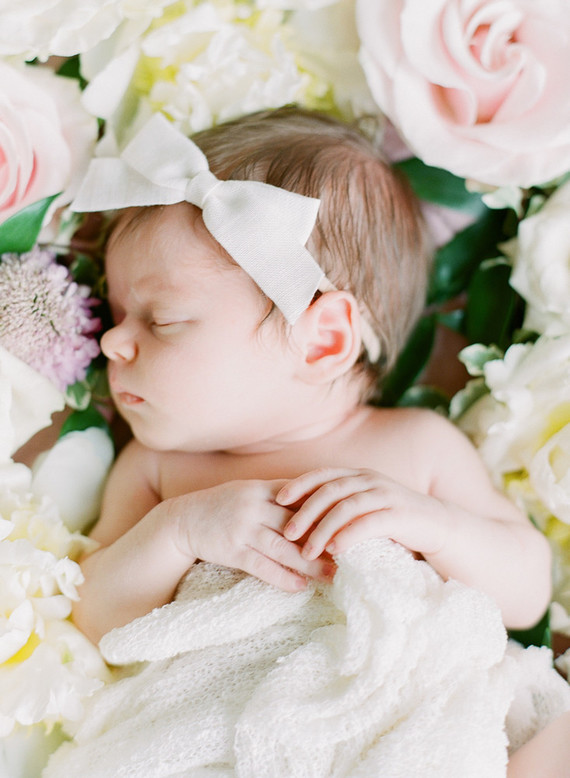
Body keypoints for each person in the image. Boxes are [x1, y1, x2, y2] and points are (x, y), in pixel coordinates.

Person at [68, 107, 566, 774]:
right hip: (231, 734)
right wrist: (177, 533)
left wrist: (436, 526)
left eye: (162, 320)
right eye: (118, 310)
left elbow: (527, 591)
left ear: (322, 339)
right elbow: (97, 621)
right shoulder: (160, 470)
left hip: (415, 722)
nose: (110, 340)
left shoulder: (417, 447)